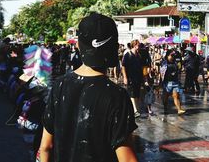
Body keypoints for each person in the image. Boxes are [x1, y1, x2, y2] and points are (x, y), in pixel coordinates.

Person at [39, 13, 138, 162]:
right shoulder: (117, 96)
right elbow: (127, 159)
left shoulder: (59, 85)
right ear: (115, 48)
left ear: (78, 46)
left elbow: (45, 147)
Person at [121, 40, 144, 118]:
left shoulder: (138, 55)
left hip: (137, 77)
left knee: (136, 94)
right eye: (138, 45)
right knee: (132, 93)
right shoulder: (128, 54)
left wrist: (143, 78)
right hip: (130, 77)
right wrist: (125, 77)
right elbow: (123, 66)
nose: (140, 47)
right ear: (135, 45)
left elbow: (140, 67)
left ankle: (135, 109)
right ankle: (135, 110)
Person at [162, 50, 186, 115]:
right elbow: (161, 74)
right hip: (167, 83)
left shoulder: (175, 63)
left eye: (173, 56)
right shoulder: (164, 63)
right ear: (167, 56)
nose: (172, 57)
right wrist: (160, 83)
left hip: (175, 82)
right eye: (171, 55)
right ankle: (165, 108)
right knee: (166, 97)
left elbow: (178, 70)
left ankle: (179, 109)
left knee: (176, 96)